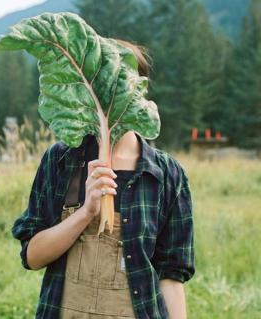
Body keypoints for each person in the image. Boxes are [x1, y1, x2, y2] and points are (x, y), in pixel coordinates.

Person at [11, 39, 195, 319]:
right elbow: (33, 257)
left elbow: (171, 277)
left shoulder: (167, 175)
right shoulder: (61, 160)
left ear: (140, 92)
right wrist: (86, 213)